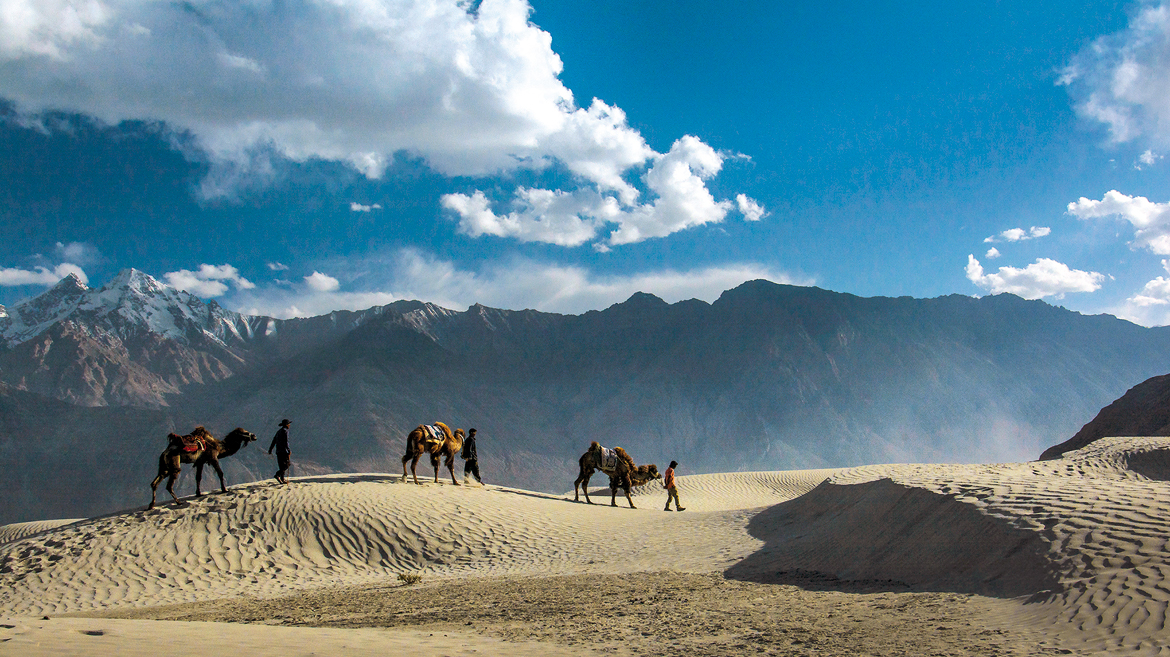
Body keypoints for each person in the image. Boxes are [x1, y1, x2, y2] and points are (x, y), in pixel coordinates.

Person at [268, 419, 291, 485]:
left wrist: (270, 449)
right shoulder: (285, 431)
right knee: (286, 465)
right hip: (284, 451)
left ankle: (282, 479)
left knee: (281, 465)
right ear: (287, 425)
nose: (289, 425)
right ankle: (278, 475)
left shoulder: (278, 432)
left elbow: (274, 440)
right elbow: (286, 442)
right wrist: (288, 450)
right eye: (289, 424)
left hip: (278, 451)